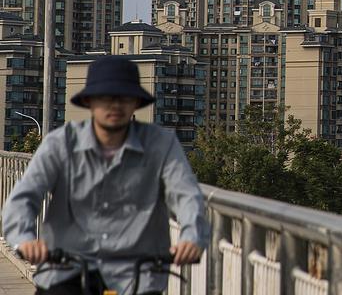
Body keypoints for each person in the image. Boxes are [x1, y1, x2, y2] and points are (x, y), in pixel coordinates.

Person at [2, 55, 209, 295]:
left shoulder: (161, 144)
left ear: (136, 104)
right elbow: (24, 198)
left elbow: (186, 195)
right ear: (90, 101)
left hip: (137, 276)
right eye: (106, 98)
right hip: (67, 271)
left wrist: (191, 237)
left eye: (124, 98)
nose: (115, 105)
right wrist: (24, 239)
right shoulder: (60, 143)